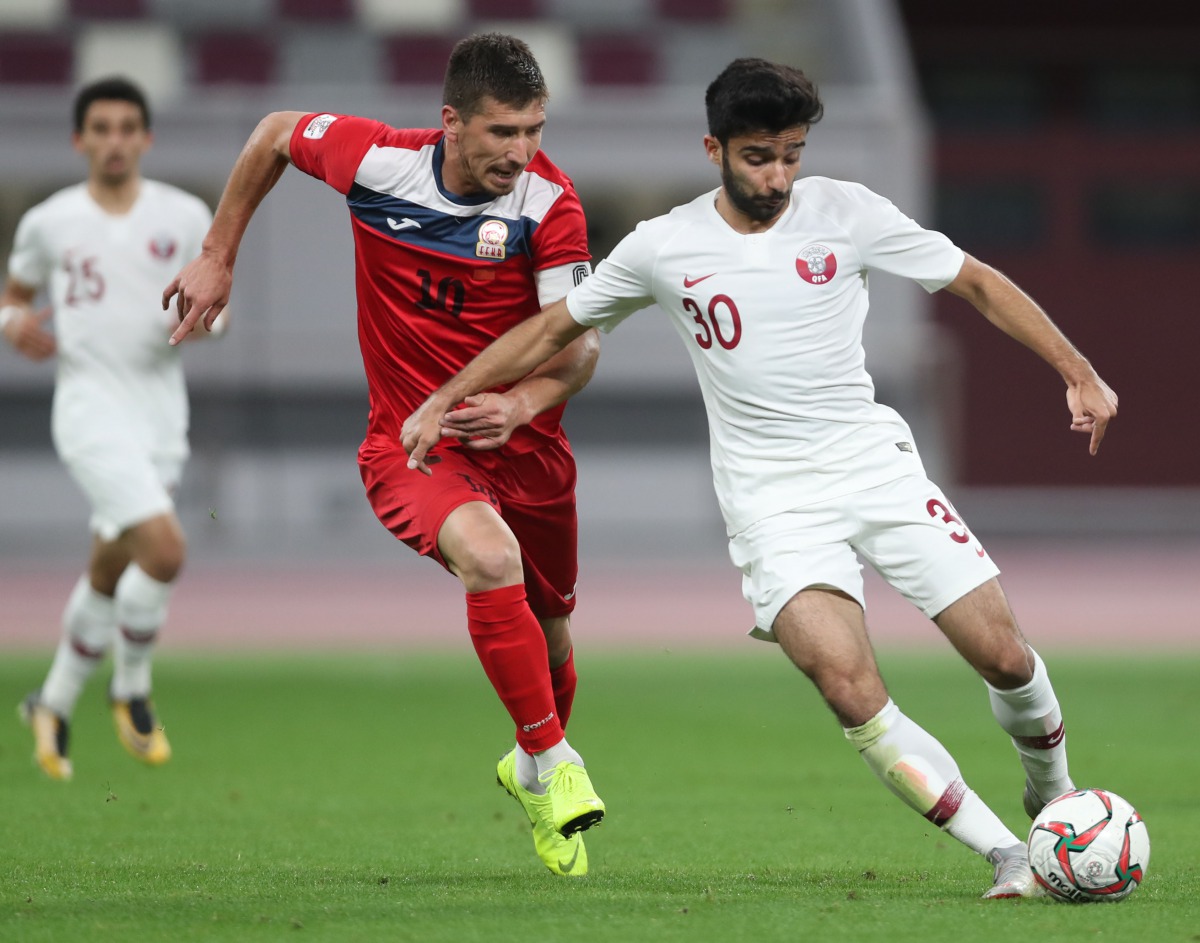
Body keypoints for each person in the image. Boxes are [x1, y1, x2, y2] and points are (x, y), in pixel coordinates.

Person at [401, 58, 1119, 898]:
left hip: (872, 466)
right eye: (757, 157)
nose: (778, 176)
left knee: (1002, 654)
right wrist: (450, 395)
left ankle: (1055, 791)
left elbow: (977, 283)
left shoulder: (847, 211)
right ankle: (1007, 852)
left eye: (791, 154)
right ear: (714, 148)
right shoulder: (664, 246)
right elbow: (555, 324)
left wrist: (1077, 369)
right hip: (772, 503)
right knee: (849, 686)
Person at [162, 33, 605, 876]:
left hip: (529, 447)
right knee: (489, 553)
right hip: (411, 441)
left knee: (551, 637)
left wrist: (520, 403)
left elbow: (577, 350)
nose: (523, 151)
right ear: (450, 122)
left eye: (535, 129)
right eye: (502, 132)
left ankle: (533, 760)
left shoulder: (551, 204)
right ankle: (557, 762)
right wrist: (220, 252)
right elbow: (273, 133)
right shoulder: (378, 160)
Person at [3, 77, 222, 781]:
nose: (116, 139)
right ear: (80, 140)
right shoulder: (50, 221)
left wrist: (209, 320)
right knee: (163, 549)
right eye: (102, 127)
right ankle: (130, 687)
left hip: (160, 410)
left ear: (147, 137)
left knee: (110, 563)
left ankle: (53, 699)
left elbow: (217, 304)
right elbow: (15, 294)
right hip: (88, 407)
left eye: (129, 126)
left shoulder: (186, 216)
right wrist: (11, 324)